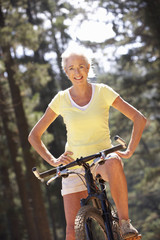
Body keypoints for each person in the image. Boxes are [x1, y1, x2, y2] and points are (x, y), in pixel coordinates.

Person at [28, 45, 147, 240]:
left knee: (114, 160)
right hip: (74, 165)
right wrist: (53, 161)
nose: (77, 72)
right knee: (71, 231)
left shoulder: (102, 92)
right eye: (72, 68)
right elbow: (34, 135)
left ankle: (125, 224)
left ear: (89, 67)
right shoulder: (61, 99)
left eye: (81, 66)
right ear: (66, 72)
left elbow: (139, 118)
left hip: (102, 159)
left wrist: (129, 151)